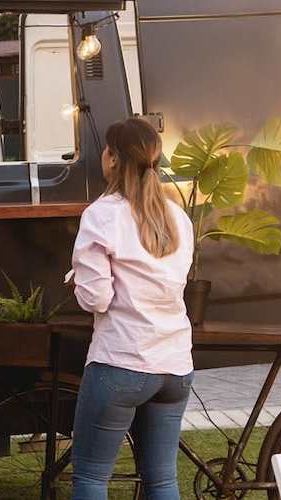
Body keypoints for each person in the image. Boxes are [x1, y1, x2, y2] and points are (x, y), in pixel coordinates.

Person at [65, 118, 196, 500]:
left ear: (113, 159)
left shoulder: (102, 215)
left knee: (91, 479)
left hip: (121, 362)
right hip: (174, 366)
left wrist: (78, 280)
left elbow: (96, 299)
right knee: (163, 482)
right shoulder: (178, 217)